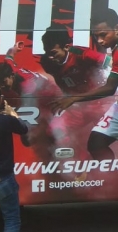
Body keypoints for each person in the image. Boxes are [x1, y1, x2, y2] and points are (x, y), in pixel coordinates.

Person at [49, 8, 118, 161]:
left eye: (103, 35)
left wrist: (73, 98)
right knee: (96, 144)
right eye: (96, 36)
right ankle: (115, 179)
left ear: (116, 29)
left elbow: (109, 88)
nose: (100, 41)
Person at [40, 23, 113, 155]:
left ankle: (112, 167)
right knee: (54, 131)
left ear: (67, 47)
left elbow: (112, 64)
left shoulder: (83, 54)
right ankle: (76, 168)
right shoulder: (47, 62)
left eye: (53, 53)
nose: (50, 57)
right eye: (47, 53)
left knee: (104, 141)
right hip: (77, 106)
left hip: (100, 103)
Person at [0, 84, 28, 232]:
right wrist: (12, 113)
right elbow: (23, 129)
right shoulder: (6, 121)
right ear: (0, 100)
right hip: (3, 178)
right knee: (11, 220)